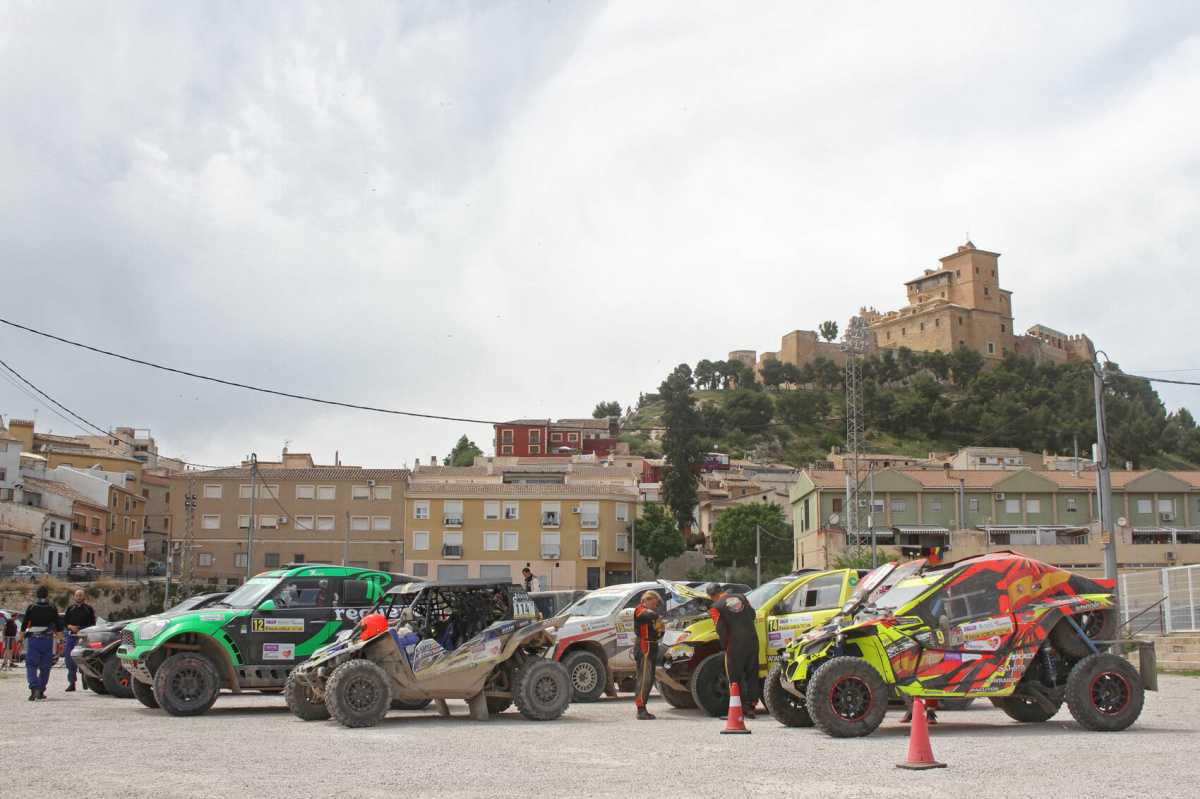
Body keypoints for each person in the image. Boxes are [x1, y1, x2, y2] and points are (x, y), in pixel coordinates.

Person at [705, 583, 761, 719]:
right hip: (752, 640)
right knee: (752, 673)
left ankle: (739, 709)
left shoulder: (715, 607)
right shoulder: (741, 597)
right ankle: (751, 705)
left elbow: (720, 629)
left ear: (712, 596)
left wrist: (725, 645)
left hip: (735, 643)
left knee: (734, 676)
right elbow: (752, 614)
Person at [20, 586, 63, 701]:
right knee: (45, 666)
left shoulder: (31, 607)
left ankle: (34, 688)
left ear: (37, 595)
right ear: (47, 595)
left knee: (31, 665)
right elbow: (58, 626)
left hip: (34, 639)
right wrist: (60, 641)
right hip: (47, 640)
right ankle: (41, 690)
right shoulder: (52, 607)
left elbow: (24, 625)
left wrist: (20, 639)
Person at [632, 590, 663, 720]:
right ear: (646, 600)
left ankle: (643, 706)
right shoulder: (640, 609)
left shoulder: (651, 612)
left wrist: (660, 628)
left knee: (649, 679)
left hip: (652, 646)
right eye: (654, 603)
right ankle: (640, 709)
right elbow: (648, 615)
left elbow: (660, 630)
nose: (655, 606)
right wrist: (657, 618)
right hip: (644, 646)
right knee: (644, 678)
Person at [62, 589, 96, 692]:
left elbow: (93, 624)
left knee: (84, 659)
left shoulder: (89, 609)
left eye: (80, 595)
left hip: (83, 637)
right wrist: (70, 626)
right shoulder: (70, 608)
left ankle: (85, 678)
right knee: (69, 660)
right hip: (71, 637)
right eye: (77, 595)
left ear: (84, 597)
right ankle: (72, 683)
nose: (78, 597)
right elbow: (65, 623)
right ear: (74, 597)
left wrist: (81, 629)